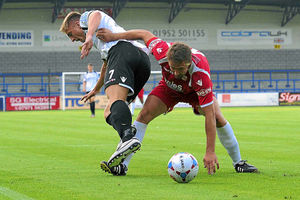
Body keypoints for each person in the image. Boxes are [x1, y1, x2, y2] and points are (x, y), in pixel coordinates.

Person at [96, 28, 258, 176]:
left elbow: (210, 114)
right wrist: (113, 36)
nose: (175, 72)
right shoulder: (161, 50)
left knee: (217, 118)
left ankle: (239, 163)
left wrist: (210, 151)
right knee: (144, 115)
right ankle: (122, 165)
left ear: (189, 63)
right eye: (172, 68)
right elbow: (143, 34)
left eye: (180, 69)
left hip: (194, 91)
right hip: (169, 88)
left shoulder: (200, 73)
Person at [59, 11, 151, 169]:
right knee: (110, 111)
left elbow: (95, 14)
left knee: (115, 101)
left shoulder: (86, 21)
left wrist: (88, 36)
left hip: (122, 52)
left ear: (75, 24)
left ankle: (128, 137)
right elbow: (106, 66)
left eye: (70, 34)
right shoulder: (100, 40)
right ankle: (121, 162)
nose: (73, 39)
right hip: (142, 62)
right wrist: (96, 89)